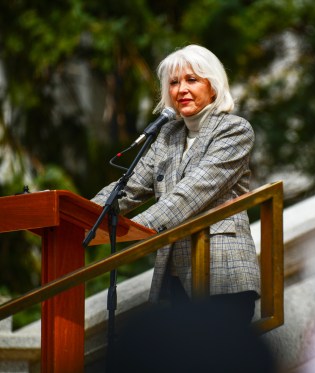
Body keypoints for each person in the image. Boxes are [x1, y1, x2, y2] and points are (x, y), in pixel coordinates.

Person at [91, 44, 260, 323]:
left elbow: (191, 193)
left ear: (213, 87)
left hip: (222, 273)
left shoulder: (234, 129)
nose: (181, 89)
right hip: (177, 275)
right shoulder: (168, 134)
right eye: (173, 82)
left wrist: (136, 230)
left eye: (191, 80)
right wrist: (81, 217)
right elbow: (129, 187)